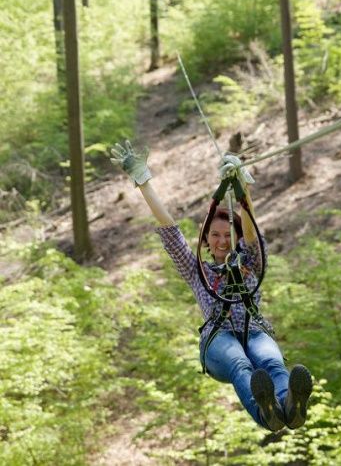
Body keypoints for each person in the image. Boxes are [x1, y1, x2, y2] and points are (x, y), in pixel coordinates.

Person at [111, 140, 312, 432]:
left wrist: (243, 186)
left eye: (227, 235)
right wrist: (143, 182)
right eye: (214, 235)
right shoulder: (198, 271)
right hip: (219, 341)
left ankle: (290, 407)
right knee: (241, 364)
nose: (221, 241)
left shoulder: (251, 263)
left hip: (255, 331)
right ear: (206, 240)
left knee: (273, 363)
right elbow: (170, 231)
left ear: (236, 237)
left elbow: (251, 228)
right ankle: (265, 412)